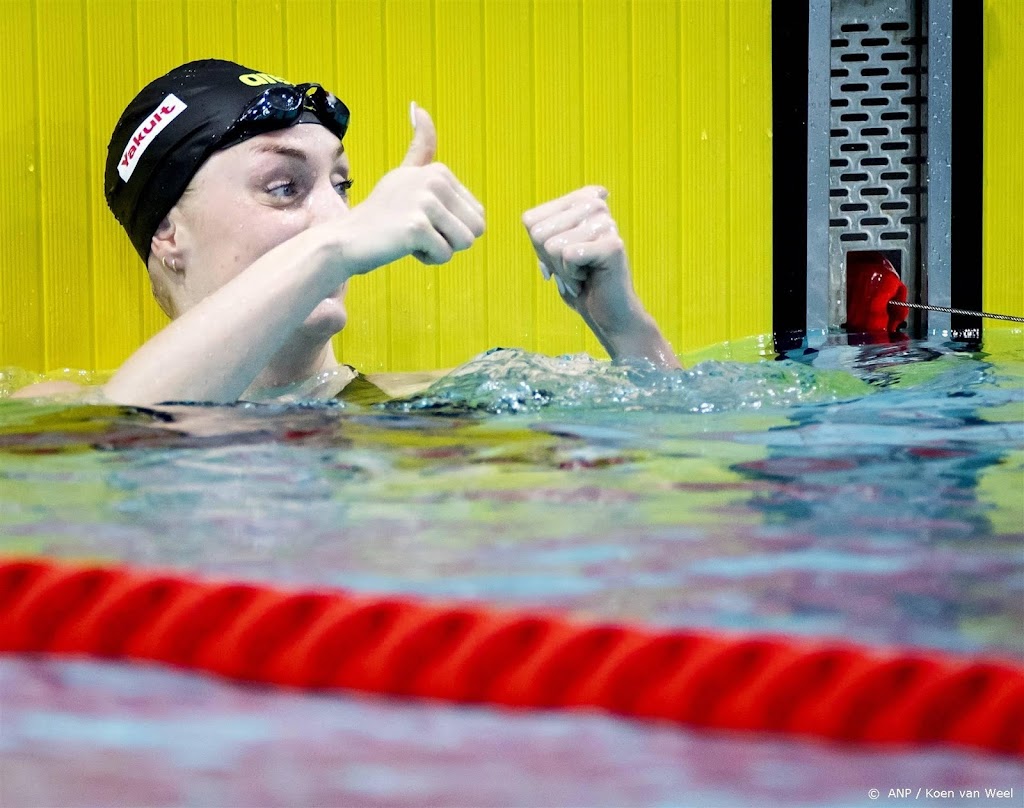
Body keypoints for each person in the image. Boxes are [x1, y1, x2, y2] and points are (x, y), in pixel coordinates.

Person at [14, 59, 679, 405]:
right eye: (284, 187)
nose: (340, 216)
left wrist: (624, 328)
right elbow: (138, 430)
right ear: (167, 234)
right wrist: (332, 248)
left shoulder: (432, 406)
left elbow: (673, 451)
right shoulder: (53, 410)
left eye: (343, 186)